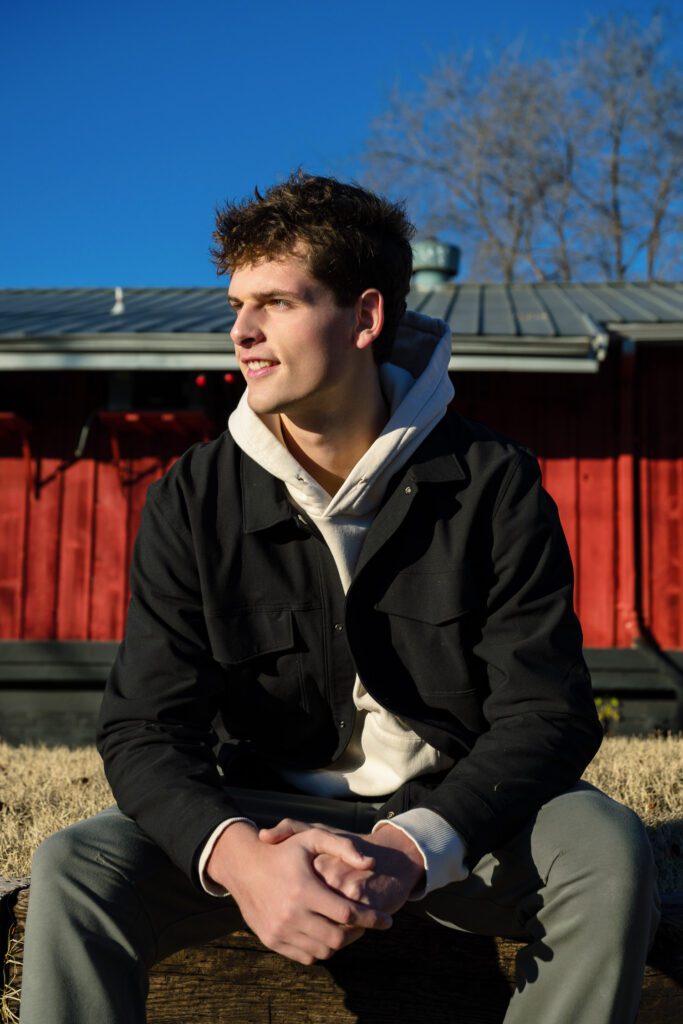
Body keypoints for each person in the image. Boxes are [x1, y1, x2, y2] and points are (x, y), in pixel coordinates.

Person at [20, 173, 658, 1023]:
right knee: (76, 867)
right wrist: (239, 857)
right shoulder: (194, 495)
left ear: (364, 318)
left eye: (277, 302)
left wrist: (412, 844)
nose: (242, 332)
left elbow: (547, 713)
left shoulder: (490, 481)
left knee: (606, 850)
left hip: (460, 818)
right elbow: (143, 727)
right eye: (238, 304)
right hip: (263, 819)